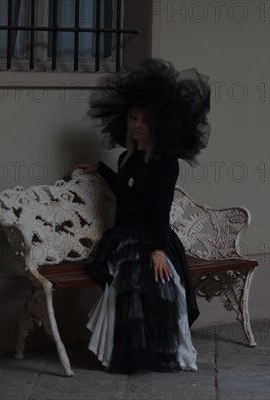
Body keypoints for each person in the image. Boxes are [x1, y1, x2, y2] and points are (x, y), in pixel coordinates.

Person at [71, 58, 211, 374]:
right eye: (133, 118)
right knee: (126, 281)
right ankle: (124, 353)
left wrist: (158, 251)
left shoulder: (166, 163)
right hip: (124, 236)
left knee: (163, 282)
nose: (136, 125)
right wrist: (101, 169)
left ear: (156, 125)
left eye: (144, 121)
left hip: (155, 237)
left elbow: (160, 211)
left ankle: (162, 352)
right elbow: (125, 191)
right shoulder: (126, 159)